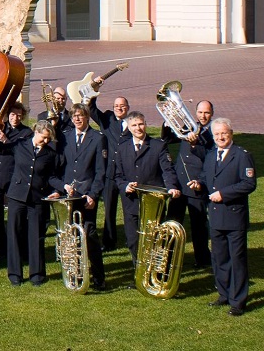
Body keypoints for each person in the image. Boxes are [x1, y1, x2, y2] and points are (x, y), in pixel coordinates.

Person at [194, 118, 256, 317]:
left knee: (236, 259)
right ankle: (224, 293)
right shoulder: (212, 155)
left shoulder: (242, 155)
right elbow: (206, 177)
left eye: (224, 133)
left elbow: (249, 184)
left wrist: (224, 194)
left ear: (231, 134)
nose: (220, 137)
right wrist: (198, 184)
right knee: (219, 258)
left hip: (234, 216)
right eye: (217, 134)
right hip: (215, 215)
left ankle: (238, 301)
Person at [114, 111, 181, 263]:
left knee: (155, 240)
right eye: (134, 125)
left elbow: (168, 170)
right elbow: (117, 175)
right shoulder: (122, 148)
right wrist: (125, 186)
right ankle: (139, 273)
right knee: (133, 240)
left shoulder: (158, 146)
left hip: (153, 202)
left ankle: (155, 273)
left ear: (145, 124)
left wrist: (171, 187)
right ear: (129, 128)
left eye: (141, 124)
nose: (138, 128)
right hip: (131, 202)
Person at [6, 121, 63, 287]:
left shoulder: (50, 154)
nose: (45, 141)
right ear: (35, 132)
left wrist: (62, 188)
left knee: (36, 236)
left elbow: (52, 176)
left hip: (37, 198)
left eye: (48, 139)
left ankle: (37, 274)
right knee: (15, 234)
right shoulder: (20, 145)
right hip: (17, 196)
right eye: (43, 138)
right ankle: (15, 274)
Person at [57, 103, 107, 290]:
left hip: (87, 196)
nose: (77, 119)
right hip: (69, 195)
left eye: (81, 115)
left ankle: (99, 278)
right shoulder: (66, 137)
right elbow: (61, 165)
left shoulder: (97, 138)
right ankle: (76, 274)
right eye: (74, 116)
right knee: (71, 237)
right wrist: (62, 187)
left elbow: (100, 171)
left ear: (87, 117)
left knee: (90, 235)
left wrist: (93, 194)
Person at [162, 100, 215, 270]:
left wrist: (194, 144)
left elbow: (208, 156)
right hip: (180, 182)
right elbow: (168, 138)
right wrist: (167, 120)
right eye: (200, 112)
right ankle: (167, 257)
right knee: (172, 221)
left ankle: (203, 259)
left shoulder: (214, 132)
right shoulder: (191, 126)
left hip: (197, 183)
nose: (202, 116)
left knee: (198, 224)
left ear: (211, 113)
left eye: (206, 113)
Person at [0, 102, 30, 260]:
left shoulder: (27, 132)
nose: (15, 118)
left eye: (18, 115)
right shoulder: (0, 127)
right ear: (7, 115)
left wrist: (7, 142)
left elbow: (23, 152)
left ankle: (16, 245)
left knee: (15, 215)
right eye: (12, 114)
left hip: (13, 178)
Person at [89, 91, 132, 251]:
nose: (119, 108)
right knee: (109, 209)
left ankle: (131, 239)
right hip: (109, 174)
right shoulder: (107, 119)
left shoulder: (133, 122)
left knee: (129, 210)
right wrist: (94, 90)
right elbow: (91, 109)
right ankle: (108, 242)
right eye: (116, 106)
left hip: (127, 175)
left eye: (122, 106)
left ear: (127, 108)